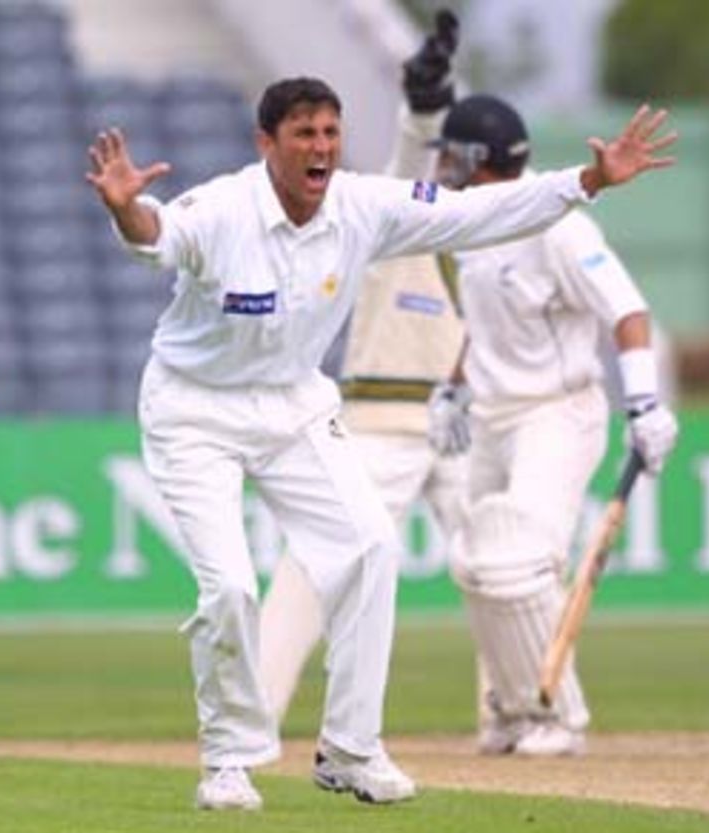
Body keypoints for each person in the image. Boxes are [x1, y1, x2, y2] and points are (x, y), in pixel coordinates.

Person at [86, 75, 675, 811]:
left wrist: (585, 180)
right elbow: (158, 239)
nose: (321, 148)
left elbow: (476, 211)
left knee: (369, 546)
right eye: (303, 134)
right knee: (232, 585)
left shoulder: (363, 203)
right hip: (193, 409)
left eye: (330, 133)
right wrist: (125, 212)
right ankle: (229, 761)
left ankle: (351, 749)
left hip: (294, 402)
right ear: (266, 143)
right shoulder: (223, 207)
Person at [423, 94, 680, 756]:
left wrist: (645, 403)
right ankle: (512, 707)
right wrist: (453, 388)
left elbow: (627, 311)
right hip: (493, 414)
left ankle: (559, 716)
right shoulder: (471, 224)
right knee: (475, 564)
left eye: (452, 153)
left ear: (479, 159)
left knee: (519, 560)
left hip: (557, 411)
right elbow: (484, 325)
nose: (443, 164)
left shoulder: (560, 225)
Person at [258, 9, 482, 730]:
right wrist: (424, 101)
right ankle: (253, 712)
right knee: (318, 561)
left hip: (464, 430)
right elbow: (410, 161)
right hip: (382, 422)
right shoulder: (386, 214)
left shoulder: (489, 237)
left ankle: (526, 713)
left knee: (506, 567)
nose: (457, 172)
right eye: (451, 160)